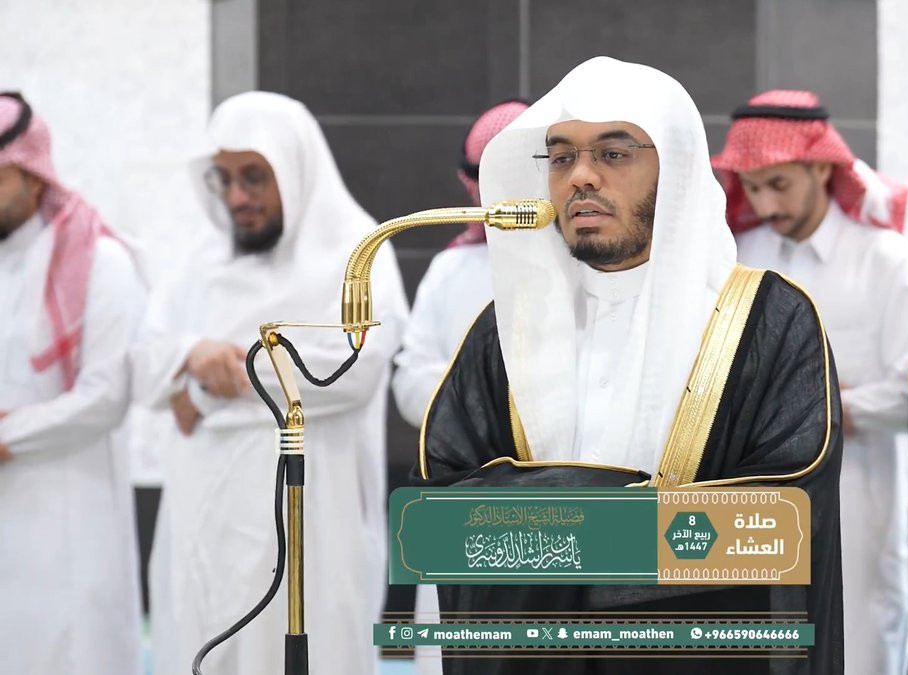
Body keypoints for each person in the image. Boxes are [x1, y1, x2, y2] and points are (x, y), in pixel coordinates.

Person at [415, 57, 844, 675]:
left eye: (613, 154)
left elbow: (775, 523)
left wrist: (554, 528)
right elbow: (441, 515)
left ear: (675, 169)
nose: (580, 177)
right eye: (561, 157)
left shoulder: (768, 321)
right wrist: (620, 526)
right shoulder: (505, 328)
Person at [132, 91, 408, 675]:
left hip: (311, 516)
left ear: (294, 168)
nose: (237, 197)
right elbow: (145, 364)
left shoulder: (355, 253)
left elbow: (348, 370)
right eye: (225, 179)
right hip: (203, 518)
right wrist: (192, 352)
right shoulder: (201, 259)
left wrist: (204, 390)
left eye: (254, 177)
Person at [712, 89, 908, 675]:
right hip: (752, 499)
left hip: (857, 498)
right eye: (751, 187)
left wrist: (811, 413)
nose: (765, 202)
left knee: (860, 640)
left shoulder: (885, 259)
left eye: (778, 184)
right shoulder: (738, 259)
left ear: (819, 166)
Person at [0, 92, 143, 674]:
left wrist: (8, 435)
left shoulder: (101, 260)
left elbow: (106, 397)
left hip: (70, 521)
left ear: (34, 176)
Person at [392, 98, 529, 427]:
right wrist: (480, 401)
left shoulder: (589, 260)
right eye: (490, 177)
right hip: (468, 453)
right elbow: (410, 382)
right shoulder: (451, 268)